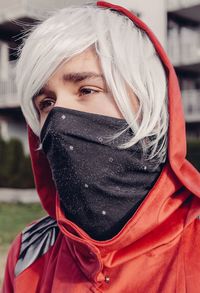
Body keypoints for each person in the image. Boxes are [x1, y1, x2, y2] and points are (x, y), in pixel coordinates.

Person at [2, 1, 200, 292]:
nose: (59, 117)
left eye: (87, 90)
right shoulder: (27, 254)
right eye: (46, 103)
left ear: (148, 104)